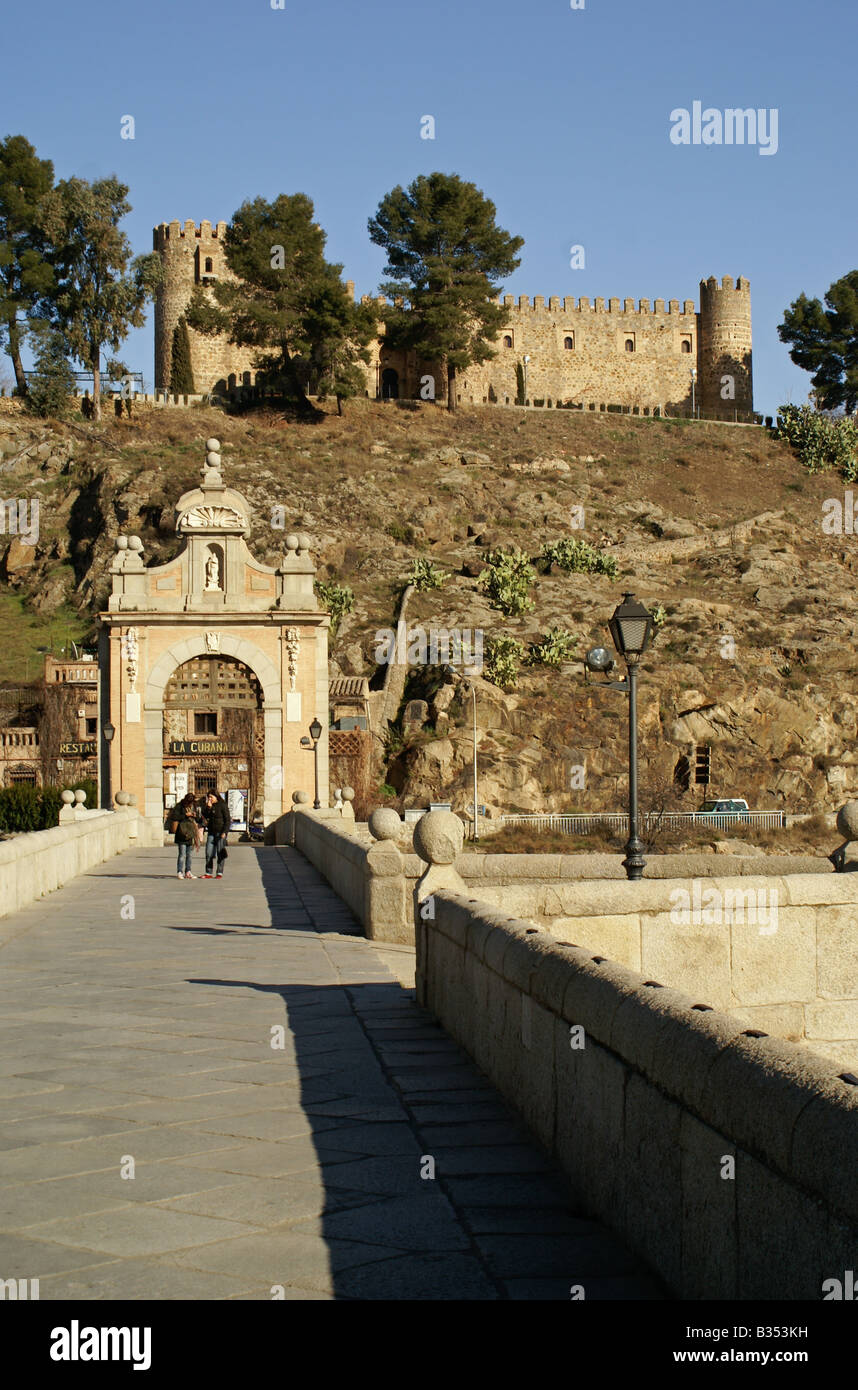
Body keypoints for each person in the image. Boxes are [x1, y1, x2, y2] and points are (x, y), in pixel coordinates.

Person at [168, 793, 200, 880]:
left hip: (190, 833)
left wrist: (195, 816)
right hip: (181, 833)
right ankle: (179, 871)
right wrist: (185, 815)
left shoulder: (194, 806)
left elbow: (197, 819)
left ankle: (188, 871)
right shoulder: (179, 806)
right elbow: (174, 816)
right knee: (182, 854)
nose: (191, 804)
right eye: (190, 802)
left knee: (189, 854)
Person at [202, 790, 230, 878]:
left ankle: (219, 872)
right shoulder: (209, 806)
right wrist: (208, 807)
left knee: (220, 852)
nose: (210, 799)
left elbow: (227, 820)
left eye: (211, 797)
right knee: (208, 852)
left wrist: (225, 832)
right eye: (208, 797)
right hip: (211, 832)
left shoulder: (223, 805)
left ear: (216, 796)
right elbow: (205, 816)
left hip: (220, 832)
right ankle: (208, 872)